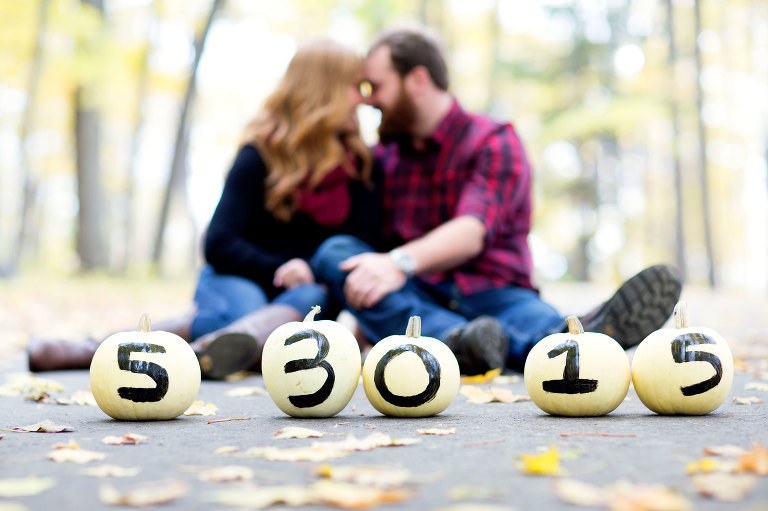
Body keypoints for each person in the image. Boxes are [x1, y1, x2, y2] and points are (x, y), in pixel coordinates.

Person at [311, 27, 682, 374]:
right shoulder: (384, 158)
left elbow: (472, 231)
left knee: (538, 327)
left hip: (495, 291)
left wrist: (396, 263)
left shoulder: (493, 140)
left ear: (418, 80)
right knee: (334, 254)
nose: (368, 100)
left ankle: (559, 340)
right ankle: (486, 343)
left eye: (375, 86)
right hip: (418, 295)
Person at [28, 39, 380, 379]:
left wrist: (310, 268)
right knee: (240, 315)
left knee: (308, 299)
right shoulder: (259, 155)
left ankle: (197, 349)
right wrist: (279, 267)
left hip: (306, 293)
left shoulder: (361, 167)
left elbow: (362, 244)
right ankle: (121, 350)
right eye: (355, 86)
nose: (362, 99)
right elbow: (219, 242)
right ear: (325, 91)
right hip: (240, 277)